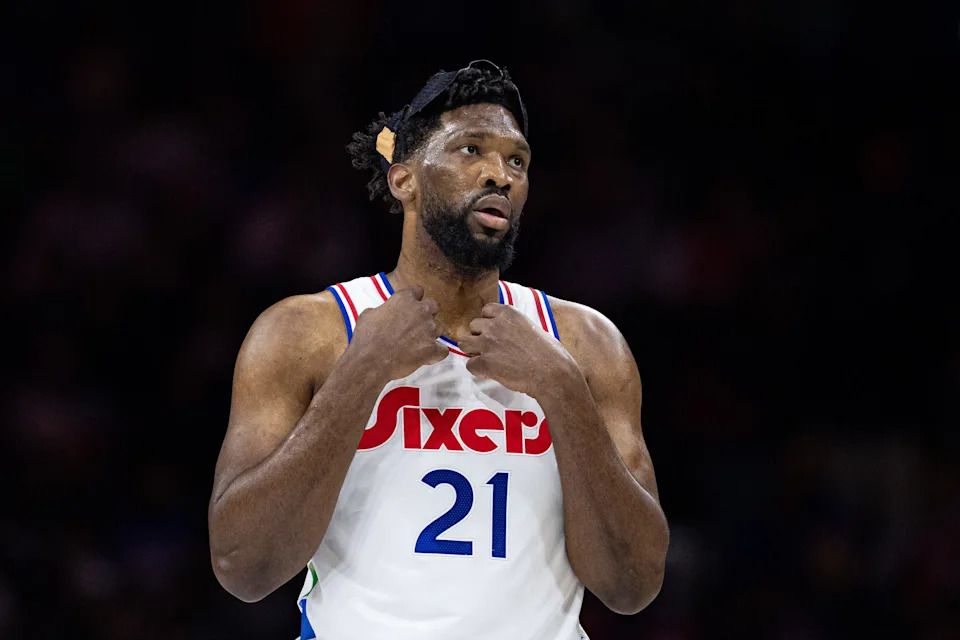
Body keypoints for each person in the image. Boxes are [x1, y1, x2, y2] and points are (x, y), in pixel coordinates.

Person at [208, 60, 669, 640]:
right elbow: (243, 568)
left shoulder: (583, 344)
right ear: (404, 180)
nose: (500, 174)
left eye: (517, 161)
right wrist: (362, 372)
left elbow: (632, 587)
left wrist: (563, 390)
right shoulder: (306, 334)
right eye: (471, 150)